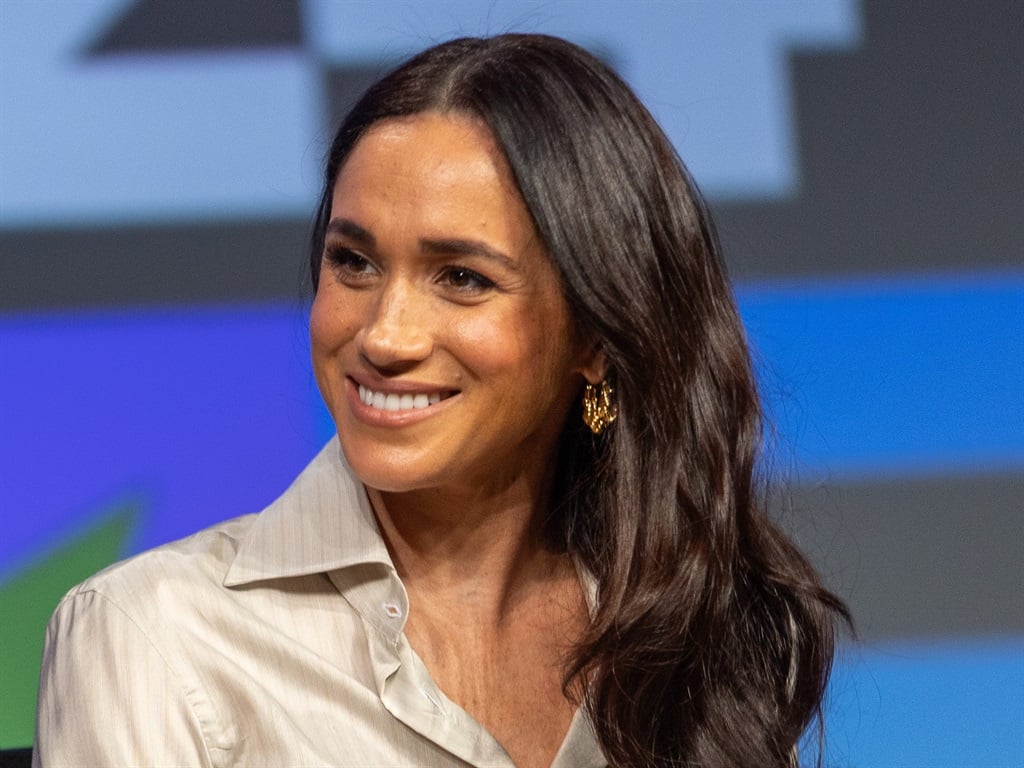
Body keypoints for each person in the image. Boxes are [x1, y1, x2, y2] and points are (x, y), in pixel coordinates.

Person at [34, 34, 848, 768]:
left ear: (597, 338)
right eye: (353, 262)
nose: (385, 335)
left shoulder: (687, 639)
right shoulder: (155, 636)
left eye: (462, 278)